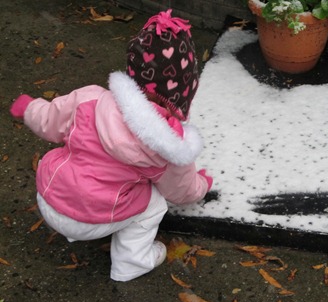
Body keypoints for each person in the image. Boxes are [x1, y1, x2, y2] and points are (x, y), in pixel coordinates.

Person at [9, 9, 213, 282]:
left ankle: (75, 225)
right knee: (155, 205)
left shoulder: (90, 99)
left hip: (49, 196)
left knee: (71, 153)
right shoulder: (170, 146)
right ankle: (132, 263)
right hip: (94, 218)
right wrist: (202, 185)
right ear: (185, 94)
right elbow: (181, 191)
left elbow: (50, 120)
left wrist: (30, 108)